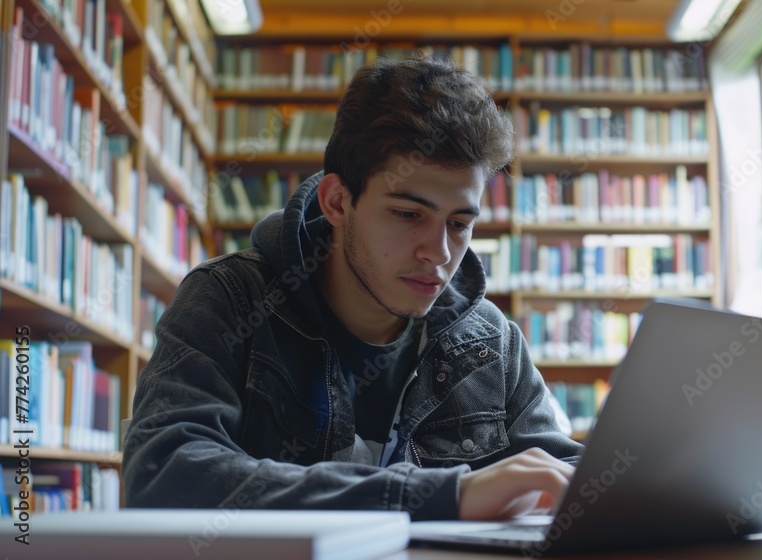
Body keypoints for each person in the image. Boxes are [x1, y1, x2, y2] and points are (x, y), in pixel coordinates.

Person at [122, 56, 583, 521]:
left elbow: (567, 473)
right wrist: (441, 495)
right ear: (338, 202)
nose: (439, 252)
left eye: (460, 223)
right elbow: (164, 472)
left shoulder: (492, 343)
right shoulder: (227, 300)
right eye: (408, 214)